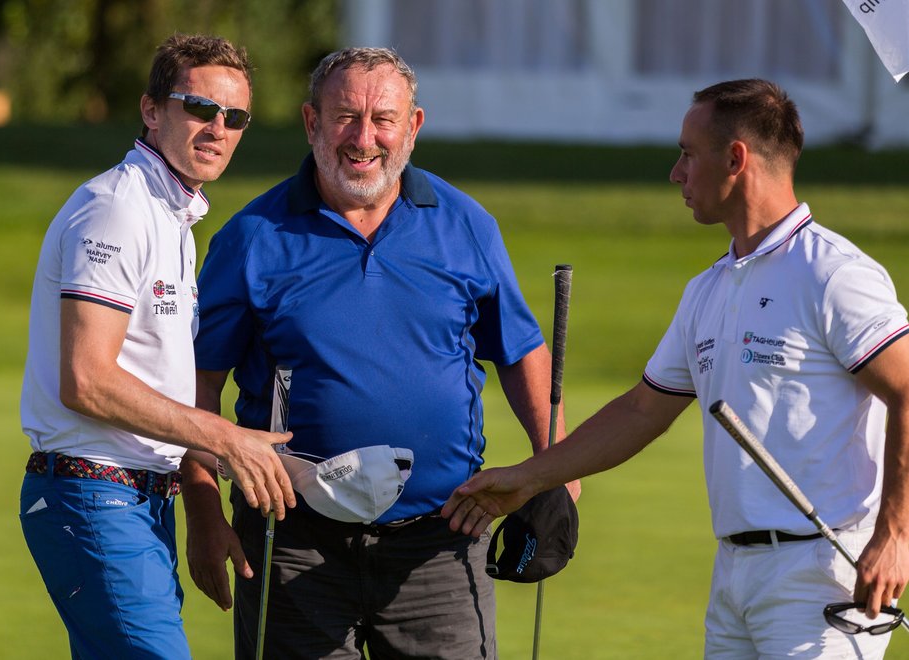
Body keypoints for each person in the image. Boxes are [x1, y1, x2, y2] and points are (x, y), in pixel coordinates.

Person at [443, 78, 909, 659]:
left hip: (823, 574)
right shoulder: (707, 289)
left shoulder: (833, 274)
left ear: (735, 158)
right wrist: (533, 476)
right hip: (734, 573)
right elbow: (643, 410)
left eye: (688, 154)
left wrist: (895, 535)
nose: (675, 172)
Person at [181, 46, 577, 659]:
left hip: (440, 542)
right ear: (312, 122)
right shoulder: (253, 236)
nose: (364, 138)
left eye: (383, 119)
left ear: (413, 127)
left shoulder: (466, 225)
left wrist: (556, 471)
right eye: (344, 117)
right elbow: (198, 388)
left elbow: (521, 351)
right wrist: (203, 509)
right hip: (289, 541)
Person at [19, 33, 297, 659]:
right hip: (96, 497)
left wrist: (197, 500)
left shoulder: (172, 216)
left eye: (235, 117)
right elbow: (85, 379)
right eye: (199, 108)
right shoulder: (116, 208)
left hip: (134, 501)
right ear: (152, 110)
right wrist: (221, 437)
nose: (217, 128)